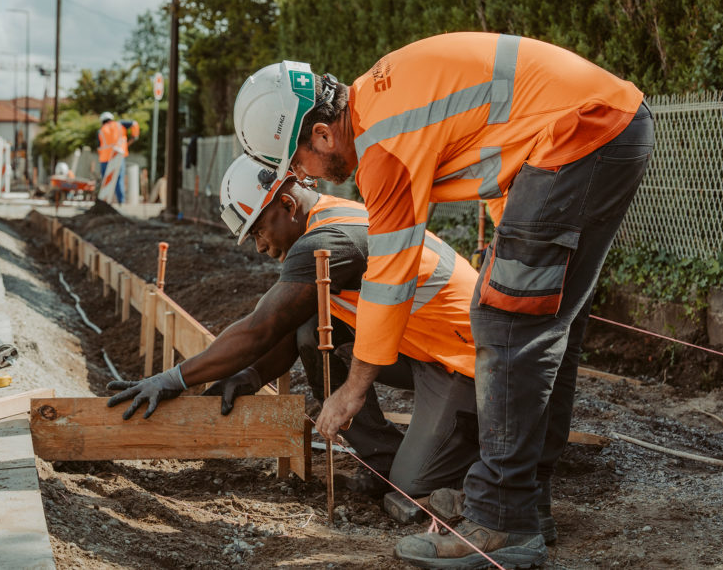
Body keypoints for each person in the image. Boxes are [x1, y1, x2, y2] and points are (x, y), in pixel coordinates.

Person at [232, 33, 654, 568]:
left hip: (584, 133)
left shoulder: (381, 142)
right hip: (603, 126)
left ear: (321, 133)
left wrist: (353, 390)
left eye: (299, 164)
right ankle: (528, 505)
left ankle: (502, 523)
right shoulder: (383, 104)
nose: (307, 178)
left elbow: (391, 276)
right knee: (546, 320)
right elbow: (509, 145)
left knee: (505, 317)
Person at [107, 154, 482, 516]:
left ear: (286, 204)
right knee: (312, 327)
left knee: (413, 488)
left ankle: (480, 451)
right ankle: (382, 459)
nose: (260, 247)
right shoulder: (329, 215)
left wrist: (174, 379)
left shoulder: (327, 240)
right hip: (423, 343)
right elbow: (291, 325)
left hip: (465, 358)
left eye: (258, 230)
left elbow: (260, 329)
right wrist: (251, 375)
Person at [97, 111, 131, 203]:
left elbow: (99, 146)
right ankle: (121, 202)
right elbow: (134, 124)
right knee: (119, 179)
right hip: (118, 157)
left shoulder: (101, 130)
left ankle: (105, 203)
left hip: (104, 159)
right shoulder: (119, 125)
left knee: (106, 182)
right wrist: (135, 136)